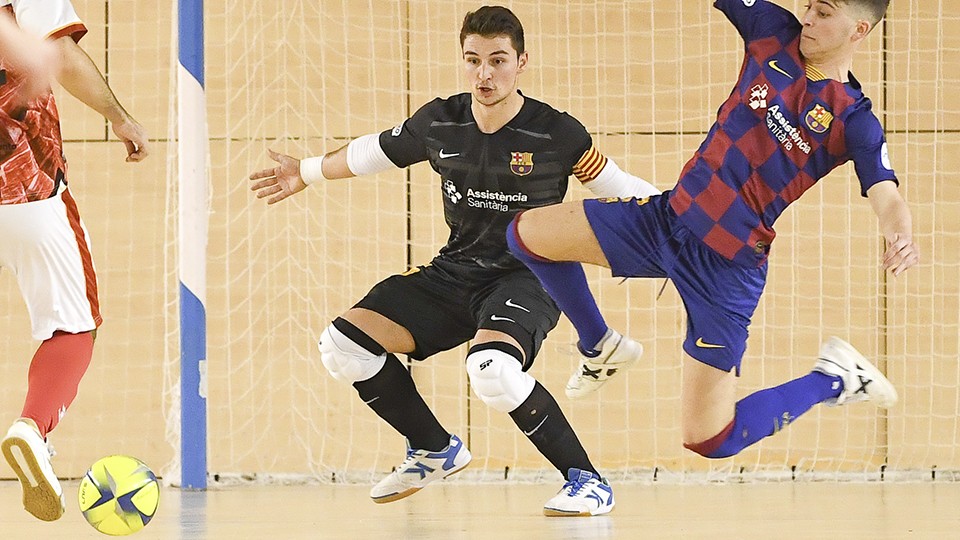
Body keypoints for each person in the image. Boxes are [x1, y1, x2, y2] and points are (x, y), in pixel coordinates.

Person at [250, 5, 659, 516]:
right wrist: (307, 171)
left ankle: (587, 481)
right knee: (342, 345)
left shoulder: (558, 133)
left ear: (521, 62)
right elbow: (370, 152)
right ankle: (433, 447)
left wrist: (685, 224)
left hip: (528, 277)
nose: (484, 74)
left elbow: (621, 191)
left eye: (497, 60)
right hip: (454, 271)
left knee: (491, 370)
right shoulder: (440, 122)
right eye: (473, 60)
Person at [507, 0, 918, 460]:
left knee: (709, 439)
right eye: (808, 6)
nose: (807, 18)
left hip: (727, 266)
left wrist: (899, 232)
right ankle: (600, 346)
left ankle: (833, 379)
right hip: (666, 220)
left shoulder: (853, 120)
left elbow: (886, 192)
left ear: (859, 29)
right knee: (526, 234)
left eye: (823, 13)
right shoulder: (771, 32)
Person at [0, 0, 149, 522]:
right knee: (74, 327)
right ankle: (32, 428)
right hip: (24, 191)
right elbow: (58, 54)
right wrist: (120, 117)